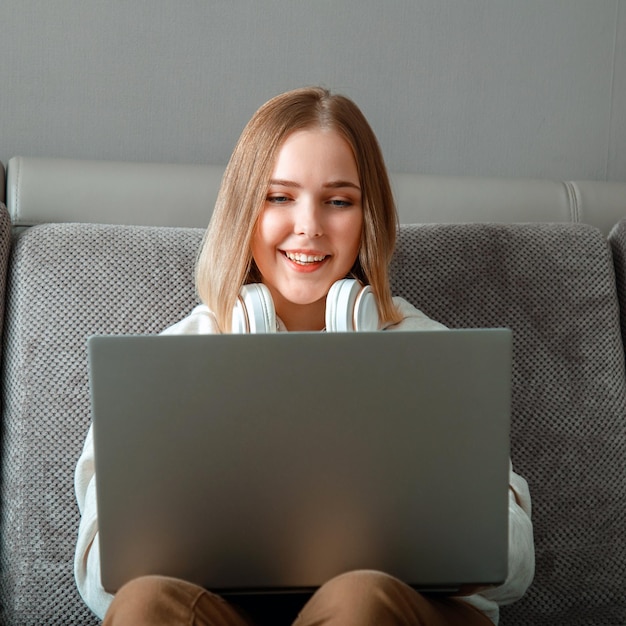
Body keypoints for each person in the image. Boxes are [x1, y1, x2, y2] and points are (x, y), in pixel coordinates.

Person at [74, 86, 534, 625]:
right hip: (232, 612)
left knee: (357, 599)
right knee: (144, 604)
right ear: (245, 210)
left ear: (368, 217)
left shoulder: (428, 349)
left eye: (338, 201)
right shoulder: (170, 360)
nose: (309, 225)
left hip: (396, 613)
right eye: (279, 197)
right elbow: (99, 571)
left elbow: (516, 559)